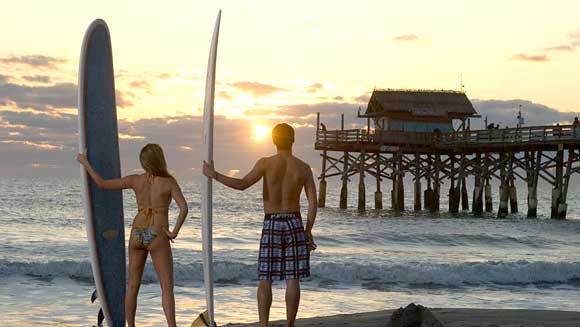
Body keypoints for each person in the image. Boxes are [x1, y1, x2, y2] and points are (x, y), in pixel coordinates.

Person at [203, 123, 317, 327]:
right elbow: (313, 202)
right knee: (293, 278)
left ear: (273, 140)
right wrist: (308, 230)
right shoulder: (303, 168)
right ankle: (289, 325)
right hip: (294, 221)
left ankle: (264, 325)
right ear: (293, 139)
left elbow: (242, 185)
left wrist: (215, 175)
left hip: (272, 221)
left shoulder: (266, 163)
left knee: (266, 278)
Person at [77, 143, 188, 327]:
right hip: (157, 233)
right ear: (159, 159)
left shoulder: (135, 180)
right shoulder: (168, 182)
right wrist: (174, 232)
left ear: (144, 162)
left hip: (137, 234)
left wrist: (84, 162)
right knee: (167, 288)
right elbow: (184, 208)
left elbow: (102, 184)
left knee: (133, 285)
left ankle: (131, 326)